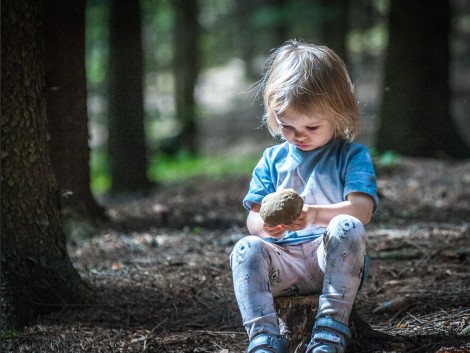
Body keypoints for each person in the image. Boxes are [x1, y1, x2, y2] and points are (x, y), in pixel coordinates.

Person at [230, 39, 379, 353]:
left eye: (312, 126)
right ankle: (263, 337)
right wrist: (264, 228)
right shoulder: (272, 160)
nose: (299, 136)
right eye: (287, 126)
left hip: (334, 263)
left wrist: (313, 215)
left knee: (347, 226)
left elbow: (362, 210)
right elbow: (253, 216)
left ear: (338, 114)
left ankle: (330, 329)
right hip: (284, 264)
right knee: (245, 249)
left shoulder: (351, 155)